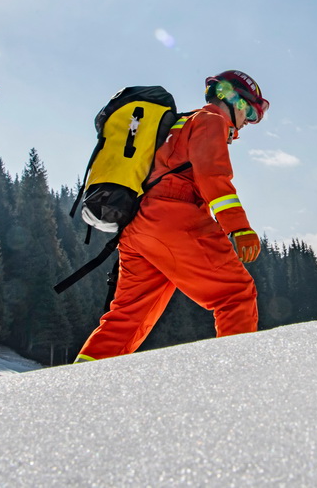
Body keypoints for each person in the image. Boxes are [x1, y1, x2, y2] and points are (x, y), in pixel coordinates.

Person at [75, 70, 268, 361]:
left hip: (137, 225)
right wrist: (239, 227)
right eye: (250, 112)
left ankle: (76, 386)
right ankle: (237, 378)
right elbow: (213, 177)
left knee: (125, 320)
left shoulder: (175, 124)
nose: (247, 123)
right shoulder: (211, 120)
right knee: (235, 295)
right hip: (176, 217)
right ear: (235, 101)